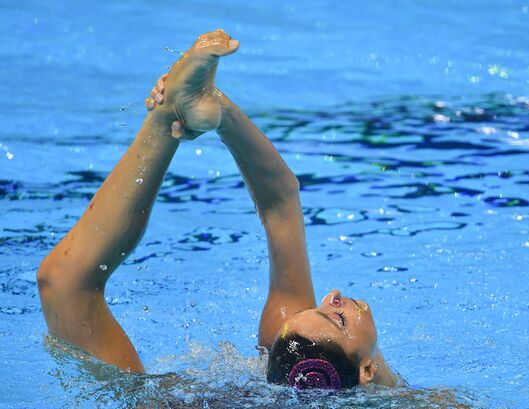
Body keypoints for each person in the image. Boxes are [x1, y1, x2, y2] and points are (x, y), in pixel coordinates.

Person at [37, 29, 397, 390]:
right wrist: (217, 109)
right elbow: (280, 200)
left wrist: (169, 118)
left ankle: (164, 122)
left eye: (335, 318)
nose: (331, 295)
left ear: (365, 372)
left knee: (64, 283)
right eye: (331, 313)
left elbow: (281, 204)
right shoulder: (305, 351)